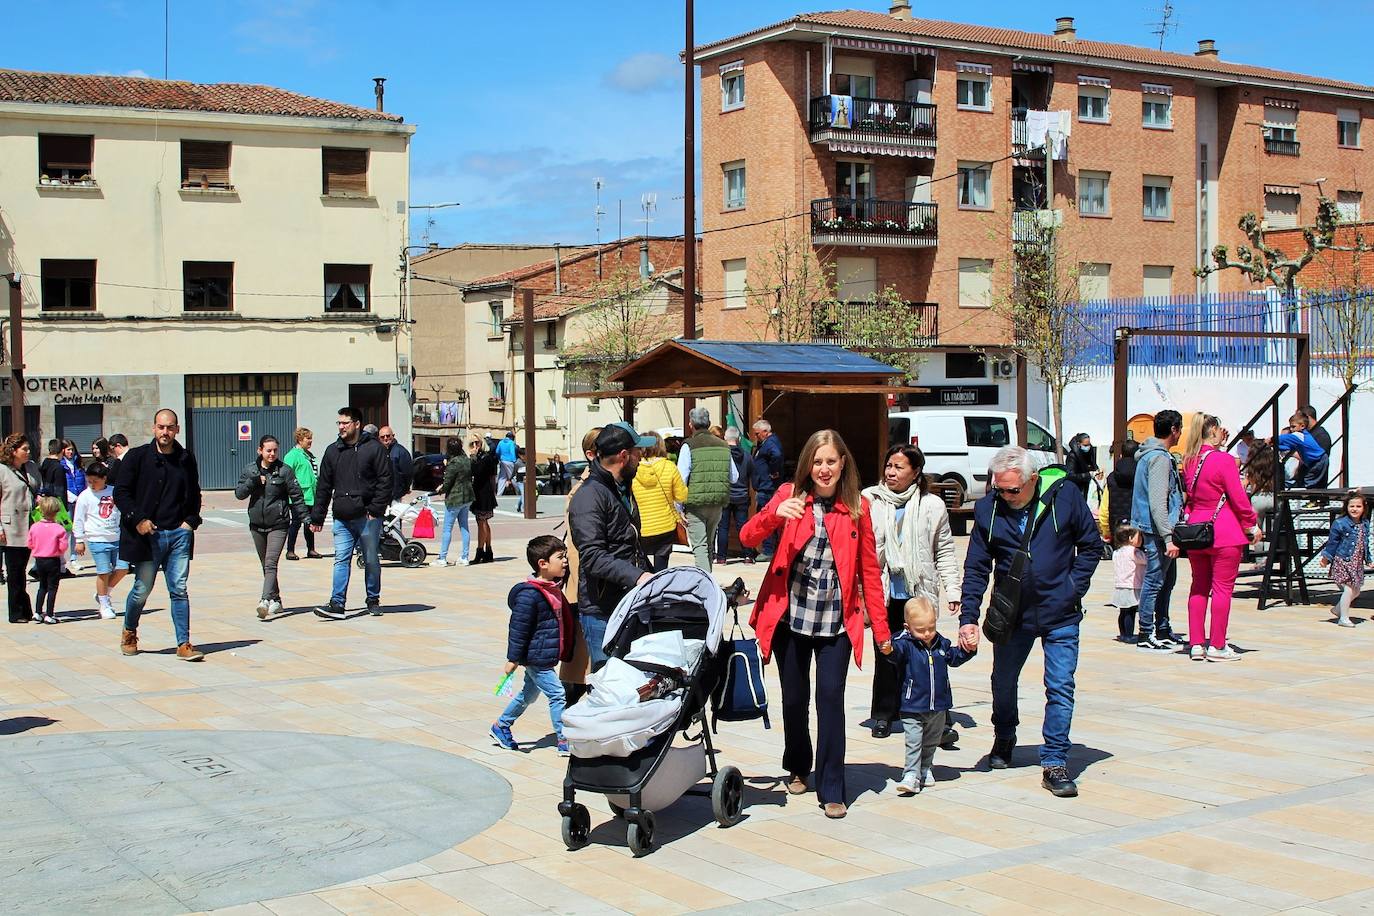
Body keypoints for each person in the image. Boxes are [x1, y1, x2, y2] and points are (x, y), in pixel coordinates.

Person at [740, 429, 891, 820]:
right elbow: (747, 536)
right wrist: (775, 514)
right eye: (817, 461)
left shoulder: (858, 507)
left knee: (829, 700)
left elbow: (869, 572)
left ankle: (832, 786)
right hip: (792, 619)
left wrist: (883, 630)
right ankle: (797, 763)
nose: (824, 469)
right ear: (808, 464)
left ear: (843, 465)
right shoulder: (790, 496)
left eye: (831, 461)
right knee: (793, 699)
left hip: (836, 623)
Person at [960, 446, 1099, 798]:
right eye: (999, 489)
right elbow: (976, 567)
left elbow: (1091, 545)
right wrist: (968, 617)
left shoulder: (1065, 497)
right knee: (1003, 681)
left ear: (1032, 480)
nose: (1005, 496)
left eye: (1012, 490)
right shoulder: (988, 508)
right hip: (1012, 616)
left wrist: (1072, 588)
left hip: (1060, 613)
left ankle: (1054, 760)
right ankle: (1004, 735)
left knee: (1061, 686)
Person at [863, 443, 961, 741]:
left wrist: (953, 588)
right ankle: (884, 713)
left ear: (915, 472)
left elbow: (943, 550)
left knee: (928, 654)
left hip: (918, 591)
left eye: (899, 467)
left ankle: (937, 715)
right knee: (886, 650)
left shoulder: (932, 505)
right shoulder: (870, 500)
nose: (891, 472)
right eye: (889, 465)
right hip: (884, 589)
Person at [114, 409, 205, 661]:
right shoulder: (137, 457)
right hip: (148, 535)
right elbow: (121, 493)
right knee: (142, 589)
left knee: (179, 588)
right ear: (154, 428)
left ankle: (183, 643)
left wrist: (190, 521)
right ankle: (129, 631)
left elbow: (194, 492)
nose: (165, 432)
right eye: (161, 427)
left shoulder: (186, 458)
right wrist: (138, 519)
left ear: (177, 429)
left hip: (178, 534)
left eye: (170, 427)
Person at [568, 422, 654, 671]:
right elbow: (593, 557)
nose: (641, 458)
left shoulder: (619, 489)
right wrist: (638, 576)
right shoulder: (589, 497)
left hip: (626, 602)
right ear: (624, 456)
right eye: (638, 452)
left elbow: (630, 544)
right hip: (602, 611)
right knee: (609, 685)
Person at [1181, 414, 1260, 661]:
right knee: (1222, 589)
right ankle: (1217, 644)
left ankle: (1196, 643)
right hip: (1224, 530)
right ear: (1213, 429)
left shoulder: (1190, 461)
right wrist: (1251, 525)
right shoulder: (1224, 461)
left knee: (1198, 586)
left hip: (1196, 530)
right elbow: (1237, 497)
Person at [490, 534, 574, 756]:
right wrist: (513, 659)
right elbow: (519, 629)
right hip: (536, 657)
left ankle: (501, 726)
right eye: (560, 557)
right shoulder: (530, 595)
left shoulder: (552, 586)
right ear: (543, 564)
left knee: (528, 694)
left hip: (545, 654)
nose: (565, 561)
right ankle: (564, 740)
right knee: (557, 695)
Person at [884, 596, 975, 794]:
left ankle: (926, 768)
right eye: (921, 630)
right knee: (914, 740)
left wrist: (969, 649)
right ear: (907, 627)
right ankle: (910, 774)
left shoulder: (940, 643)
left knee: (932, 740)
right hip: (912, 705)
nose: (927, 633)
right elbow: (895, 654)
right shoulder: (904, 642)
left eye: (931, 628)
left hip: (938, 705)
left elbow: (954, 657)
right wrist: (888, 650)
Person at [310, 407, 392, 619]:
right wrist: (317, 516)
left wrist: (375, 509)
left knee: (371, 559)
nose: (341, 427)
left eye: (345, 423)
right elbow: (324, 486)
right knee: (341, 559)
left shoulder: (374, 448)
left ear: (357, 424)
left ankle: (373, 599)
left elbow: (385, 480)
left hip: (367, 517)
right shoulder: (332, 451)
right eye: (339, 423)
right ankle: (337, 604)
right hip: (342, 517)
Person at [236, 434, 307, 620]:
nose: (272, 454)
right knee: (266, 565)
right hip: (257, 525)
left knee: (270, 563)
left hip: (279, 524)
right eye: (268, 450)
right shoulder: (250, 470)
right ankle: (277, 599)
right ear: (260, 450)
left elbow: (297, 496)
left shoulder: (285, 471)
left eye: (275, 450)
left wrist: (306, 518)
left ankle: (264, 600)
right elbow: (239, 494)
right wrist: (252, 482)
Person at [1131, 409, 1186, 649]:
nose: (1181, 433)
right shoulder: (1159, 459)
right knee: (1155, 581)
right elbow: (1157, 501)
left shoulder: (1152, 455)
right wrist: (1167, 536)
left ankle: (1162, 627)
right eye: (1180, 428)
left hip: (1160, 529)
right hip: (1158, 531)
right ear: (1173, 430)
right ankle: (1146, 632)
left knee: (1167, 580)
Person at [561, 428, 601, 703]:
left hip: (595, 583)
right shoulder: (583, 493)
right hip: (584, 583)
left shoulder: (606, 486)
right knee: (580, 648)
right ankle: (571, 704)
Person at [678, 407, 734, 572]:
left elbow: (681, 478)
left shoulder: (689, 445)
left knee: (700, 547)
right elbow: (734, 476)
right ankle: (708, 581)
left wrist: (678, 507)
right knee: (708, 545)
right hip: (717, 503)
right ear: (709, 424)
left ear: (691, 424)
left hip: (695, 504)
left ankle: (705, 585)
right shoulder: (724, 445)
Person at [72, 461, 126, 620]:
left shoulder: (114, 492)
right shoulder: (85, 496)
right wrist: (79, 539)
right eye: (89, 481)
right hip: (97, 538)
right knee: (103, 571)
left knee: (123, 568)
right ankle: (104, 604)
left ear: (104, 478)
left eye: (95, 481)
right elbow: (79, 519)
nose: (92, 484)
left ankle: (104, 592)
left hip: (116, 537)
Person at [632, 432, 688, 573]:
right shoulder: (669, 467)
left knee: (641, 565)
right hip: (665, 526)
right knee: (661, 569)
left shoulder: (633, 469)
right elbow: (682, 496)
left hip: (641, 528)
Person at [0, 433, 40, 623]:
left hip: (31, 525)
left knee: (22, 569)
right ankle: (16, 612)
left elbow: (37, 488)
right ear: (13, 451)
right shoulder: (2, 470)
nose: (28, 452)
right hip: (10, 528)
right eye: (24, 449)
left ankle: (26, 609)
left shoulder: (31, 467)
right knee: (14, 571)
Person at [1319, 490, 1371, 629]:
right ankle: (1343, 618)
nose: (1354, 509)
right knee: (1348, 590)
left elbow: (1365, 543)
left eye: (1358, 506)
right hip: (1343, 560)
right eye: (1351, 506)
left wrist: (1369, 559)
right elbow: (1332, 543)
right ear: (1346, 507)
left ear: (1364, 508)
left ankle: (1337, 610)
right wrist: (1326, 558)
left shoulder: (1365, 523)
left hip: (1357, 562)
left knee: (1357, 591)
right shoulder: (1340, 523)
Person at [432, 436, 474, 567]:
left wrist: (440, 489)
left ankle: (442, 558)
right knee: (464, 527)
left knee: (447, 529)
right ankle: (465, 557)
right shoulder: (466, 460)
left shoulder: (453, 464)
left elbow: (447, 482)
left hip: (455, 498)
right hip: (467, 497)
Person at [282, 428, 322, 561]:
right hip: (298, 496)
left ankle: (311, 549)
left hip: (310, 495)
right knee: (296, 523)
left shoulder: (308, 455)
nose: (310, 441)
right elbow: (286, 475)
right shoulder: (292, 455)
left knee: (309, 523)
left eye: (311, 438)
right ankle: (290, 550)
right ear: (300, 440)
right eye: (308, 439)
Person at [715, 427, 754, 565]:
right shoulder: (748, 456)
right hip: (742, 496)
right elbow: (751, 475)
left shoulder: (721, 456)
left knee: (723, 527)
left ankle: (721, 557)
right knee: (743, 527)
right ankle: (748, 556)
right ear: (738, 439)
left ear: (725, 439)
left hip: (725, 496)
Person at [27, 497, 68, 625]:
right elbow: (63, 547)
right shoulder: (59, 529)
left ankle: (38, 612)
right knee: (52, 588)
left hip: (39, 560)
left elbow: (29, 544)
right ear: (56, 512)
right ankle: (49, 614)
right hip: (53, 560)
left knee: (42, 587)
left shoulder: (34, 527)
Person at [750, 419, 784, 558]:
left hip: (767, 487)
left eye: (757, 434)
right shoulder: (764, 443)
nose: (756, 436)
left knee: (766, 519)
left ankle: (768, 550)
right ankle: (770, 549)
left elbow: (776, 455)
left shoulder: (771, 443)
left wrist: (773, 471)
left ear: (765, 432)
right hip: (764, 486)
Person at [1276, 412, 1328, 490]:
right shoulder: (1302, 436)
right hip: (1319, 459)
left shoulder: (1299, 435)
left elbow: (1283, 438)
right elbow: (1287, 447)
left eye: (1293, 427)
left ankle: (1312, 499)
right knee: (1317, 482)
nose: (1291, 429)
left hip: (1318, 460)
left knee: (1309, 480)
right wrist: (1277, 446)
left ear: (1302, 426)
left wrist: (1271, 440)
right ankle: (1319, 500)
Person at [1111, 523, 1145, 644]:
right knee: (1131, 611)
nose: (1141, 539)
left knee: (1123, 611)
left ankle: (1123, 634)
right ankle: (1129, 635)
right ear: (1130, 539)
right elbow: (1145, 561)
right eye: (1139, 536)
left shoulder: (1117, 552)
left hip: (1120, 585)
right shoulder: (1134, 552)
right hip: (1132, 585)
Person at [469, 434, 499, 564]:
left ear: (482, 443)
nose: (475, 446)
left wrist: (473, 457)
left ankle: (481, 550)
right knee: (483, 522)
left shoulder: (485, 457)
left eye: (477, 442)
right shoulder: (482, 457)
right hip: (480, 492)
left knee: (482, 522)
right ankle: (488, 551)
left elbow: (477, 472)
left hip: (484, 493)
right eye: (472, 443)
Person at [378, 425, 412, 507]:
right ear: (379, 438)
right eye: (382, 437)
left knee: (394, 517)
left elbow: (408, 473)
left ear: (393, 436)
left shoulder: (401, 451)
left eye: (388, 436)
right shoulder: (379, 452)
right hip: (383, 494)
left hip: (395, 494)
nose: (385, 438)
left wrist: (405, 489)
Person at [1063, 433, 1103, 501]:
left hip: (1086, 484)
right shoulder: (1072, 456)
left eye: (1089, 444)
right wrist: (1088, 474)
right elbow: (1070, 476)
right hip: (1075, 487)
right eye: (1085, 445)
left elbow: (1092, 464)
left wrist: (1097, 471)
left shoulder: (1090, 452)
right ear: (1079, 444)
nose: (1088, 447)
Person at [1299, 405, 1332, 488]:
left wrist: (1293, 454)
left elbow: (1316, 459)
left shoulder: (1321, 436)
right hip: (1303, 481)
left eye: (1299, 418)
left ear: (1307, 417)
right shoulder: (1305, 434)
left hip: (1314, 484)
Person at [495, 430, 518, 498]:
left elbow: (497, 451)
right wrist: (514, 461)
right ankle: (518, 491)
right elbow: (512, 452)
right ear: (512, 437)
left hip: (502, 461)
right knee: (512, 476)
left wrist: (500, 458)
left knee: (502, 478)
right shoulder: (511, 443)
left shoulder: (500, 442)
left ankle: (499, 494)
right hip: (510, 461)